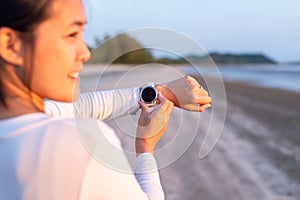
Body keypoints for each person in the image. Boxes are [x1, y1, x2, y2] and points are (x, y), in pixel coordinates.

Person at [0, 0, 211, 199]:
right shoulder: (79, 143)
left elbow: (75, 108)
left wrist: (160, 93)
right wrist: (145, 146)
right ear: (10, 45)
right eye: (71, 34)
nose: (85, 53)